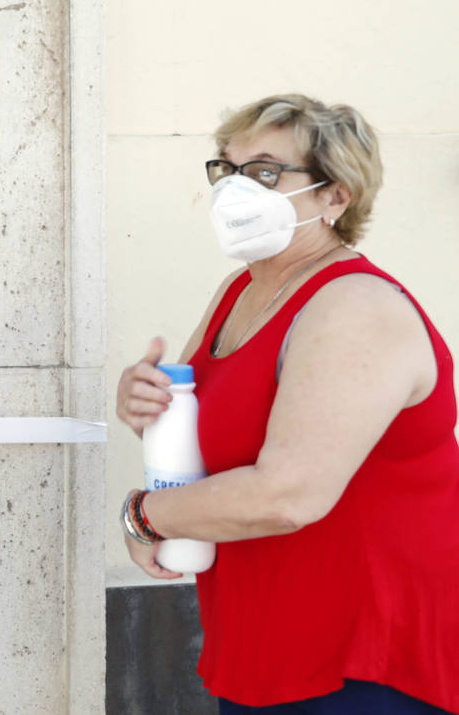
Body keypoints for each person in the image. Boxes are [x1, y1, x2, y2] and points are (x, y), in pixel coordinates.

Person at [115, 94, 459, 713]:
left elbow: (288, 494)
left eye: (266, 172)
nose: (234, 190)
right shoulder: (243, 290)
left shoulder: (356, 307)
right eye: (227, 168)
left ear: (336, 196)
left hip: (366, 657)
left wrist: (147, 515)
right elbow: (205, 434)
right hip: (266, 636)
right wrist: (145, 400)